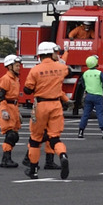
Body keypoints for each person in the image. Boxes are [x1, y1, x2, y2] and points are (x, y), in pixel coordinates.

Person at [22, 41, 70, 180]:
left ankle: (33, 170)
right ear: (51, 53)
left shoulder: (35, 70)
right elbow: (68, 71)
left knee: (35, 139)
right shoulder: (60, 67)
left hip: (41, 105)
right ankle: (62, 155)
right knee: (55, 137)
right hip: (56, 104)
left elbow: (27, 89)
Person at [0, 54, 25, 168]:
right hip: (7, 107)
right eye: (16, 65)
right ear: (9, 67)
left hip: (13, 108)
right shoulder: (6, 79)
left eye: (19, 65)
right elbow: (1, 96)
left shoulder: (16, 79)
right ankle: (6, 159)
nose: (19, 67)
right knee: (11, 135)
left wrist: (18, 113)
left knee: (15, 136)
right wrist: (4, 110)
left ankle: (6, 158)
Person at [78, 63, 103, 140]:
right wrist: (100, 86)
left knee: (85, 114)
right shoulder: (99, 73)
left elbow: (83, 84)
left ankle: (80, 132)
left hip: (88, 95)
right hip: (97, 95)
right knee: (100, 114)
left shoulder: (85, 74)